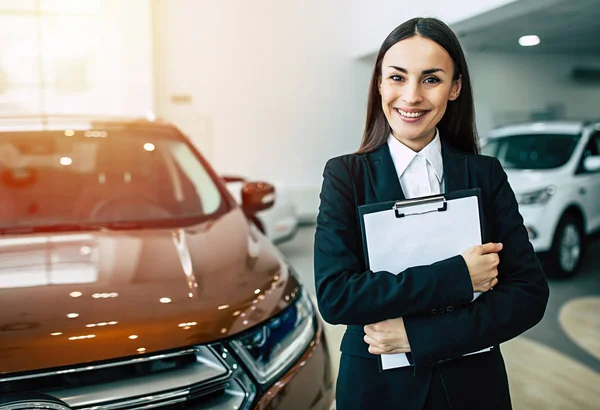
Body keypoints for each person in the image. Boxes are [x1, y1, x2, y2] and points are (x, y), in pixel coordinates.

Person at [313, 17, 549, 410]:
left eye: (431, 79)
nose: (411, 96)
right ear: (379, 83)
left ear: (455, 87)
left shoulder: (484, 174)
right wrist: (459, 274)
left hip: (473, 387)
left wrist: (419, 336)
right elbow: (338, 296)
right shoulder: (345, 176)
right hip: (377, 389)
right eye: (397, 77)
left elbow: (528, 294)